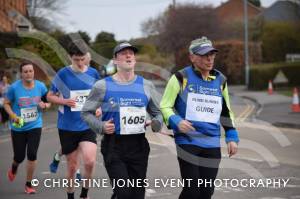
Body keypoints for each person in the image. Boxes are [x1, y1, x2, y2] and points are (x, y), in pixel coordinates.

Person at [81, 42, 163, 199]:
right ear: (115, 60)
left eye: (131, 53)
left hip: (139, 146)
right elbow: (86, 112)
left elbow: (157, 113)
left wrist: (156, 123)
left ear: (135, 59)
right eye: (123, 53)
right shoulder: (102, 86)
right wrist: (101, 126)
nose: (128, 55)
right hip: (114, 146)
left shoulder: (146, 85)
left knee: (137, 195)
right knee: (124, 193)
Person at [160, 36, 239, 199]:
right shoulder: (180, 78)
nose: (209, 58)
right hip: (187, 141)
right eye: (204, 55)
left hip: (211, 142)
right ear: (192, 57)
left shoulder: (220, 80)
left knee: (206, 192)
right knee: (192, 190)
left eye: (212, 54)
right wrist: (176, 121)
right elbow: (165, 106)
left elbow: (226, 111)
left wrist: (231, 136)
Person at [47, 42, 100, 199]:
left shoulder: (93, 73)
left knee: (90, 162)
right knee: (72, 167)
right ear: (70, 57)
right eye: (76, 59)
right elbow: (49, 96)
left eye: (82, 59)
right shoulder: (63, 74)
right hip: (67, 127)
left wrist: (98, 108)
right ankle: (70, 195)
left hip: (87, 125)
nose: (79, 62)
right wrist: (64, 102)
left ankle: (84, 195)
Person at [4, 61, 50, 194]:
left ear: (33, 72)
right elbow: (6, 103)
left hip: (35, 124)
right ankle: (14, 167)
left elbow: (47, 101)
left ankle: (28, 184)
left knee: (32, 154)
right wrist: (13, 115)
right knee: (19, 156)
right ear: (21, 74)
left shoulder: (41, 86)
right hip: (18, 124)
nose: (29, 73)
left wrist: (45, 106)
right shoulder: (14, 88)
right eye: (25, 71)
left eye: (31, 71)